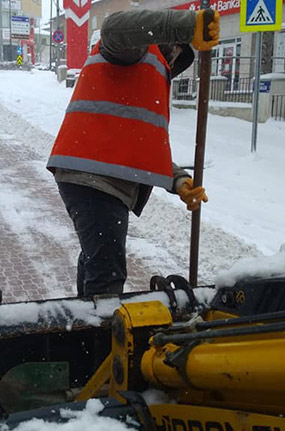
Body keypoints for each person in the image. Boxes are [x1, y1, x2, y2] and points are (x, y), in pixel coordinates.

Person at [47, 8, 220, 297]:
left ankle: (85, 324)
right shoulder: (130, 51)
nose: (176, 60)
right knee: (107, 271)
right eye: (177, 50)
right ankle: (100, 337)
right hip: (92, 176)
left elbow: (141, 143)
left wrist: (177, 180)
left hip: (97, 177)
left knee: (97, 260)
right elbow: (114, 25)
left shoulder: (149, 76)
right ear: (169, 42)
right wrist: (187, 25)